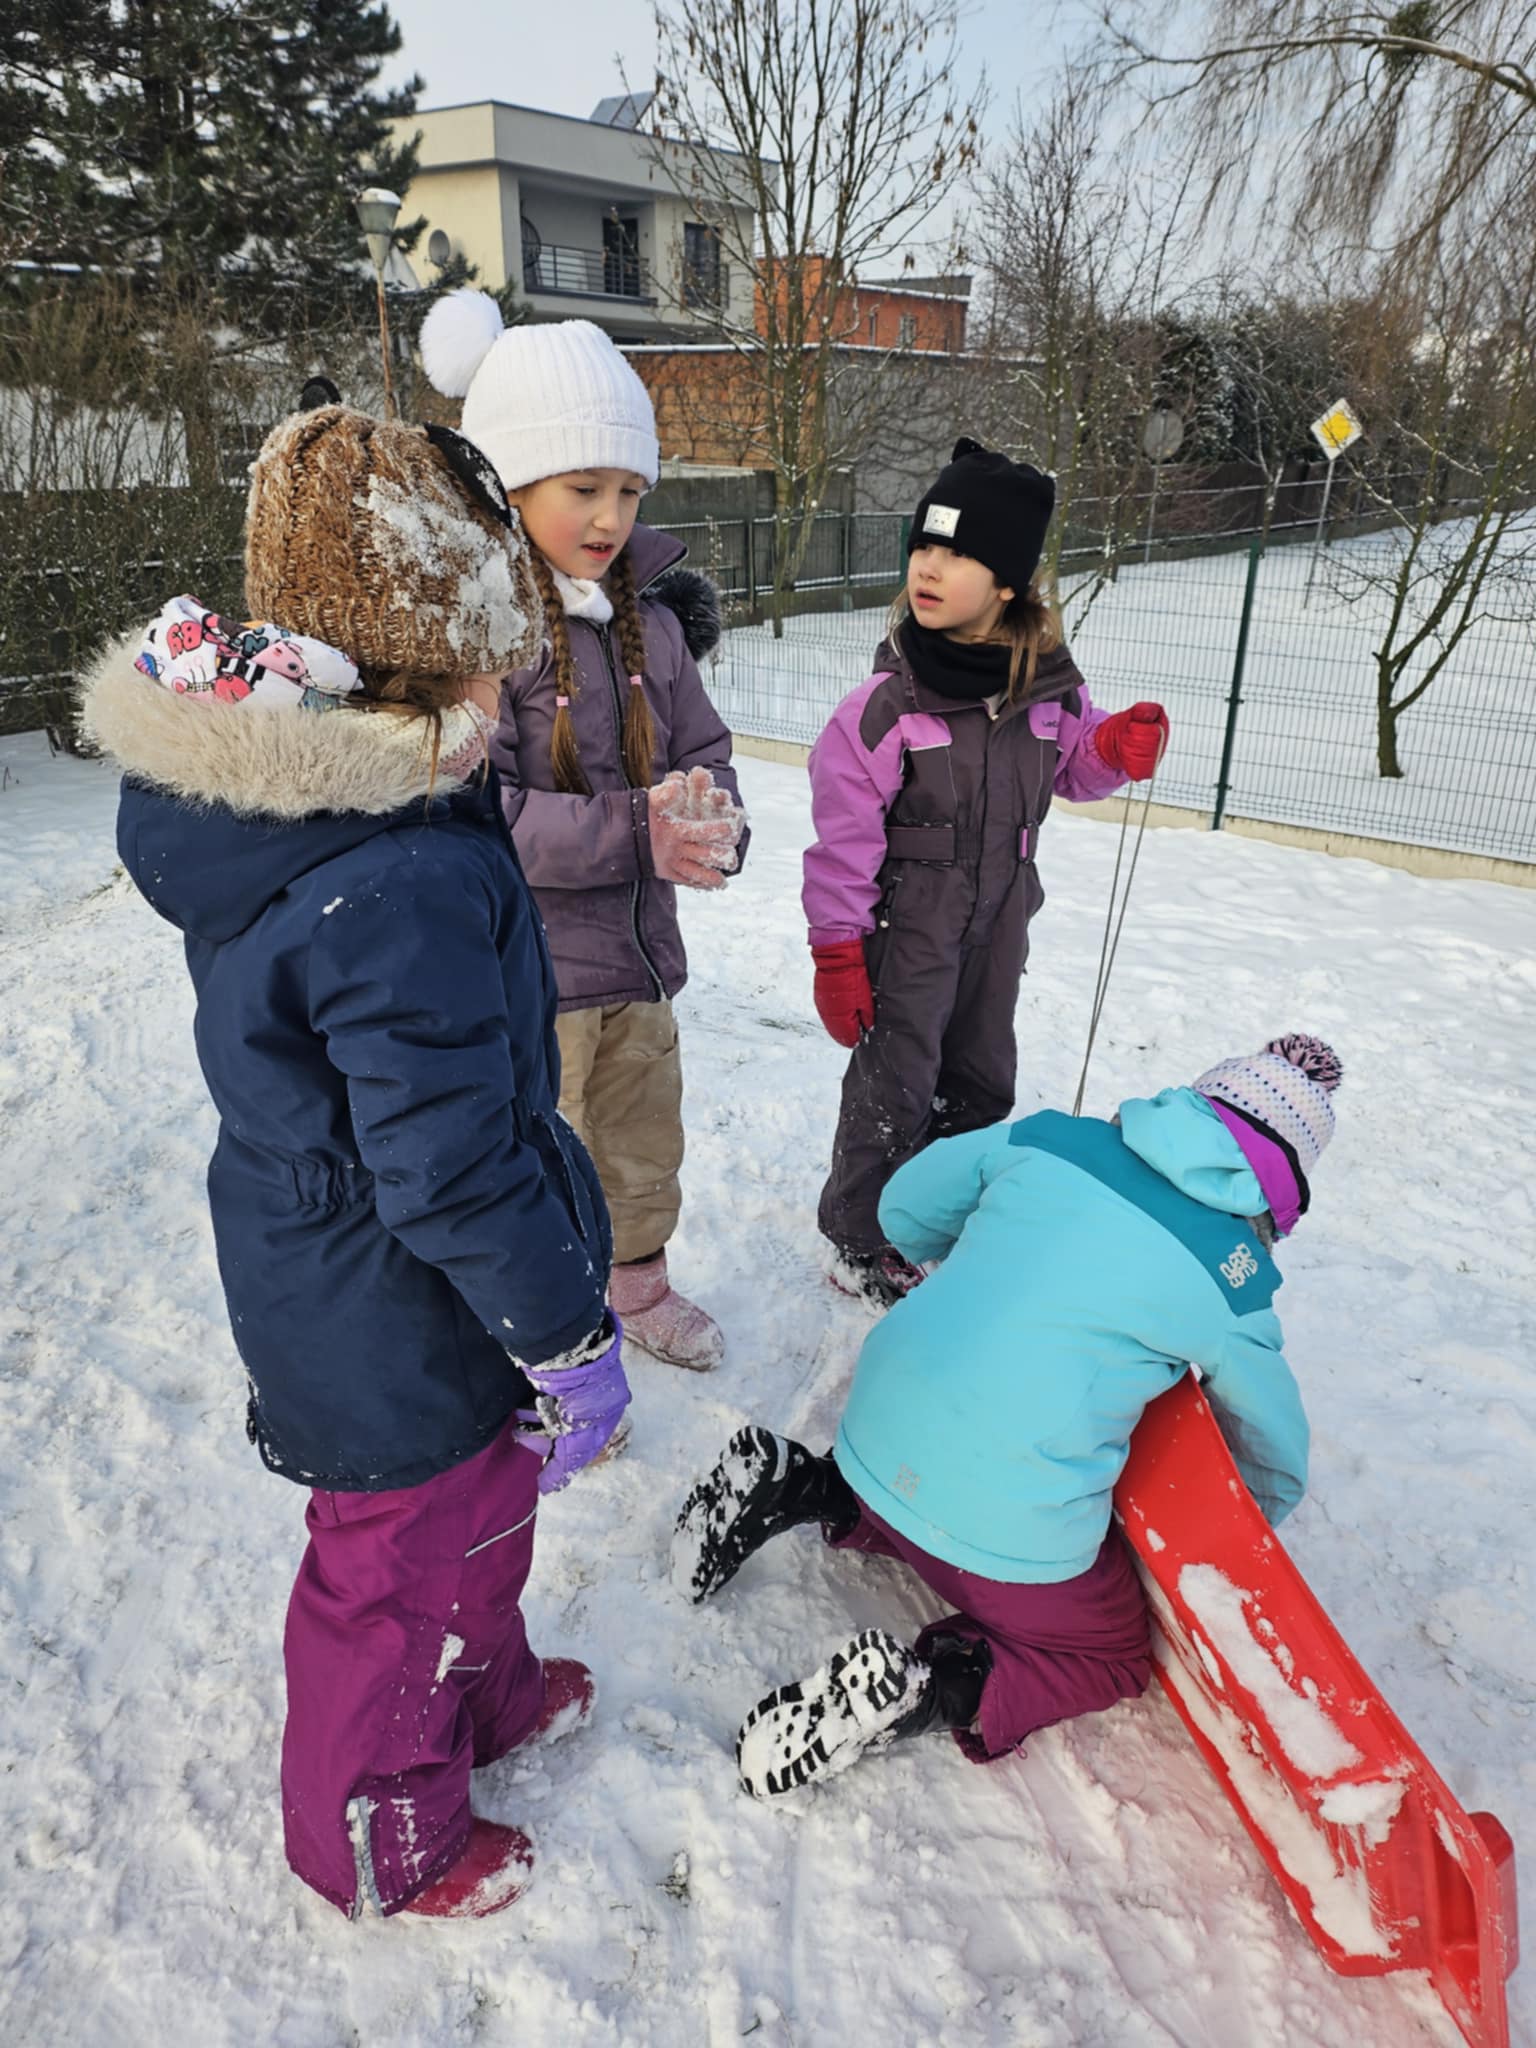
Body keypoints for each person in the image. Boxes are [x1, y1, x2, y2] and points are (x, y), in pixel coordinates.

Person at [83, 398, 631, 1920]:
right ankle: (379, 1831)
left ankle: (484, 1692)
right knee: (394, 1570)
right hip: (385, 1303)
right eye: (495, 656)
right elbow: (445, 1160)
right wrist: (565, 1330)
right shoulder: (389, 876)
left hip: (388, 1269)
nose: (513, 685)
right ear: (422, 654)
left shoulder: (352, 803)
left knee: (481, 1511)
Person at [673, 1035, 1340, 1801]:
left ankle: (801, 1485)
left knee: (917, 1475)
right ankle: (924, 1690)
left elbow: (903, 1205)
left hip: (873, 1430)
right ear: (1278, 1190)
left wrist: (974, 1254)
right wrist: (1230, 1528)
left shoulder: (1055, 1137)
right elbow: (1274, 1458)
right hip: (997, 1518)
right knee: (1110, 1655)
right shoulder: (1235, 1280)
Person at [421, 292, 747, 1372]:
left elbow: (705, 747)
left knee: (644, 1139)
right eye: (582, 487)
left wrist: (709, 816)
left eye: (628, 490)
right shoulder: (488, 640)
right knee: (542, 1158)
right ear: (510, 487)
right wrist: (635, 833)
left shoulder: (653, 626)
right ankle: (548, 1332)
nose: (610, 516)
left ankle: (638, 1286)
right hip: (534, 981)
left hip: (641, 964)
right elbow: (487, 817)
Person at [802, 437, 1171, 1307]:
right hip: (909, 924)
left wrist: (1115, 746)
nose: (929, 567)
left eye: (958, 553)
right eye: (924, 545)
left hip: (1002, 916)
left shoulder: (1049, 690)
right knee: (897, 1081)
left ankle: (931, 1210)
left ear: (1007, 581)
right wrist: (836, 948)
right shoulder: (887, 707)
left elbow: (1076, 767)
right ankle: (861, 1236)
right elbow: (843, 841)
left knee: (979, 1076)